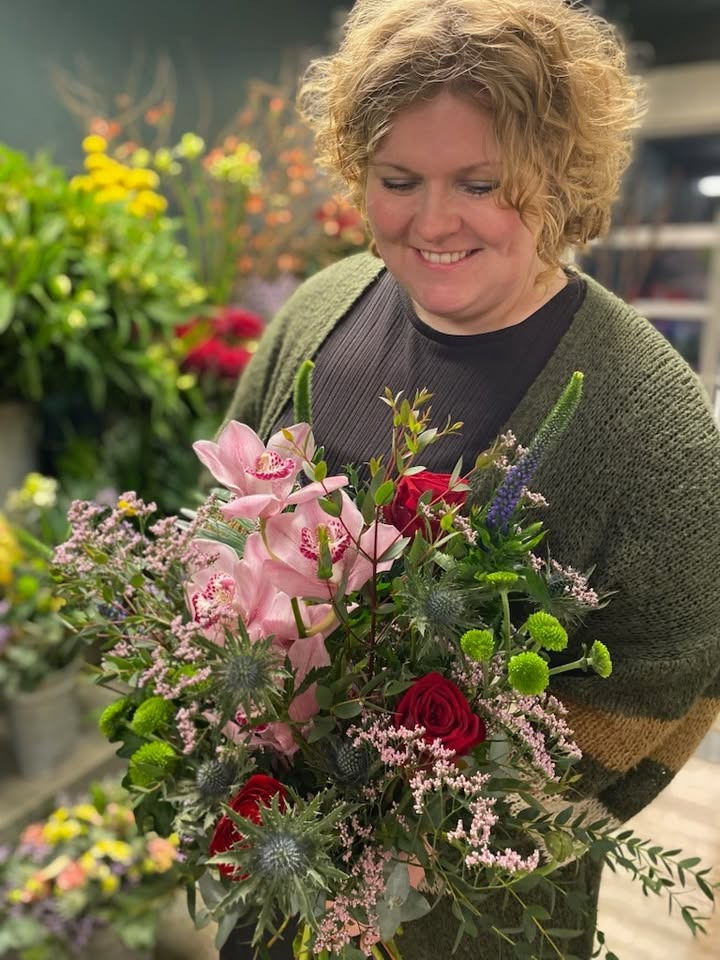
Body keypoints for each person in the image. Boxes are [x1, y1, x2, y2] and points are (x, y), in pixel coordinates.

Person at [221, 0, 720, 956]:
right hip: (276, 857)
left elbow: (673, 683)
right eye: (398, 179)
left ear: (558, 178)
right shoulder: (321, 311)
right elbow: (225, 513)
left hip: (478, 914)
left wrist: (443, 835)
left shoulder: (649, 417)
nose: (433, 221)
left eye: (481, 183)